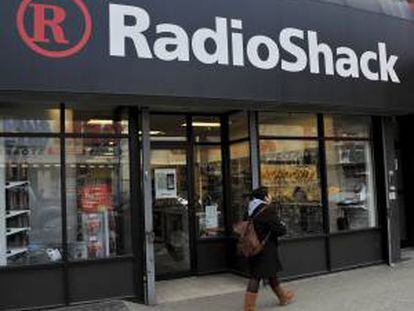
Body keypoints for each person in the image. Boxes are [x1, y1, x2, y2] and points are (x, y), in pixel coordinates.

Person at [245, 187, 295, 311]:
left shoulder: (249, 210)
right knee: (256, 276)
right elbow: (279, 230)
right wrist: (282, 225)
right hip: (265, 248)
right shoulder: (267, 210)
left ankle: (283, 297)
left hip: (253, 246)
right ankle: (249, 307)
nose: (270, 196)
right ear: (265, 197)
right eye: (269, 194)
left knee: (271, 273)